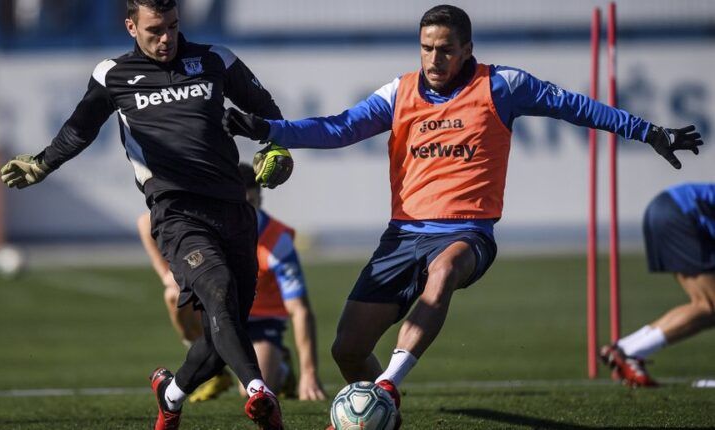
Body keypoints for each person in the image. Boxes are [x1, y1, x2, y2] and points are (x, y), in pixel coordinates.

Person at [222, 4, 704, 427]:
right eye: (427, 48)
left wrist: (649, 131)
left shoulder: (502, 85)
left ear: (467, 47)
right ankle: (384, 408)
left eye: (446, 48)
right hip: (402, 237)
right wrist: (270, 127)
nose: (434, 59)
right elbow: (340, 128)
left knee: (446, 268)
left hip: (467, 233)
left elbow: (576, 106)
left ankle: (388, 385)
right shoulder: (400, 92)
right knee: (346, 351)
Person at [0, 1, 293, 429]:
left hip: (234, 209)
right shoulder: (112, 75)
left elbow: (267, 110)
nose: (166, 38)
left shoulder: (216, 60)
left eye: (173, 27)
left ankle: (170, 395)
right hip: (176, 213)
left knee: (217, 341)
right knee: (218, 289)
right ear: (131, 26)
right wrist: (43, 163)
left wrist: (277, 146)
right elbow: (81, 127)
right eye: (155, 29)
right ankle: (259, 393)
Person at [137, 163, 327, 401]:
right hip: (220, 313)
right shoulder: (209, 217)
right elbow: (146, 222)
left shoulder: (277, 241)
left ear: (260, 198)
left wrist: (309, 373)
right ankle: (212, 371)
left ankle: (283, 367)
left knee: (252, 390)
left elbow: (299, 309)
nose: (245, 209)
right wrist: (167, 275)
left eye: (252, 202)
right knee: (174, 296)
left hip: (260, 321)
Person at [600, 183, 715, 387]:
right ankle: (629, 352)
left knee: (703, 304)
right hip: (682, 213)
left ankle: (625, 348)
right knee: (709, 306)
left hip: (667, 206)